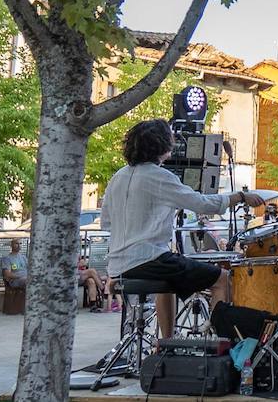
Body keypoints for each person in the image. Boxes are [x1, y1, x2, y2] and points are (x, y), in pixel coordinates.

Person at [101, 120, 265, 340]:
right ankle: (219, 342)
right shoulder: (159, 177)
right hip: (147, 259)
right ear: (162, 145)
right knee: (222, 278)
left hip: (118, 264)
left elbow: (106, 223)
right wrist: (240, 197)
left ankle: (166, 342)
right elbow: (203, 204)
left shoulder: (118, 177)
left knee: (169, 283)